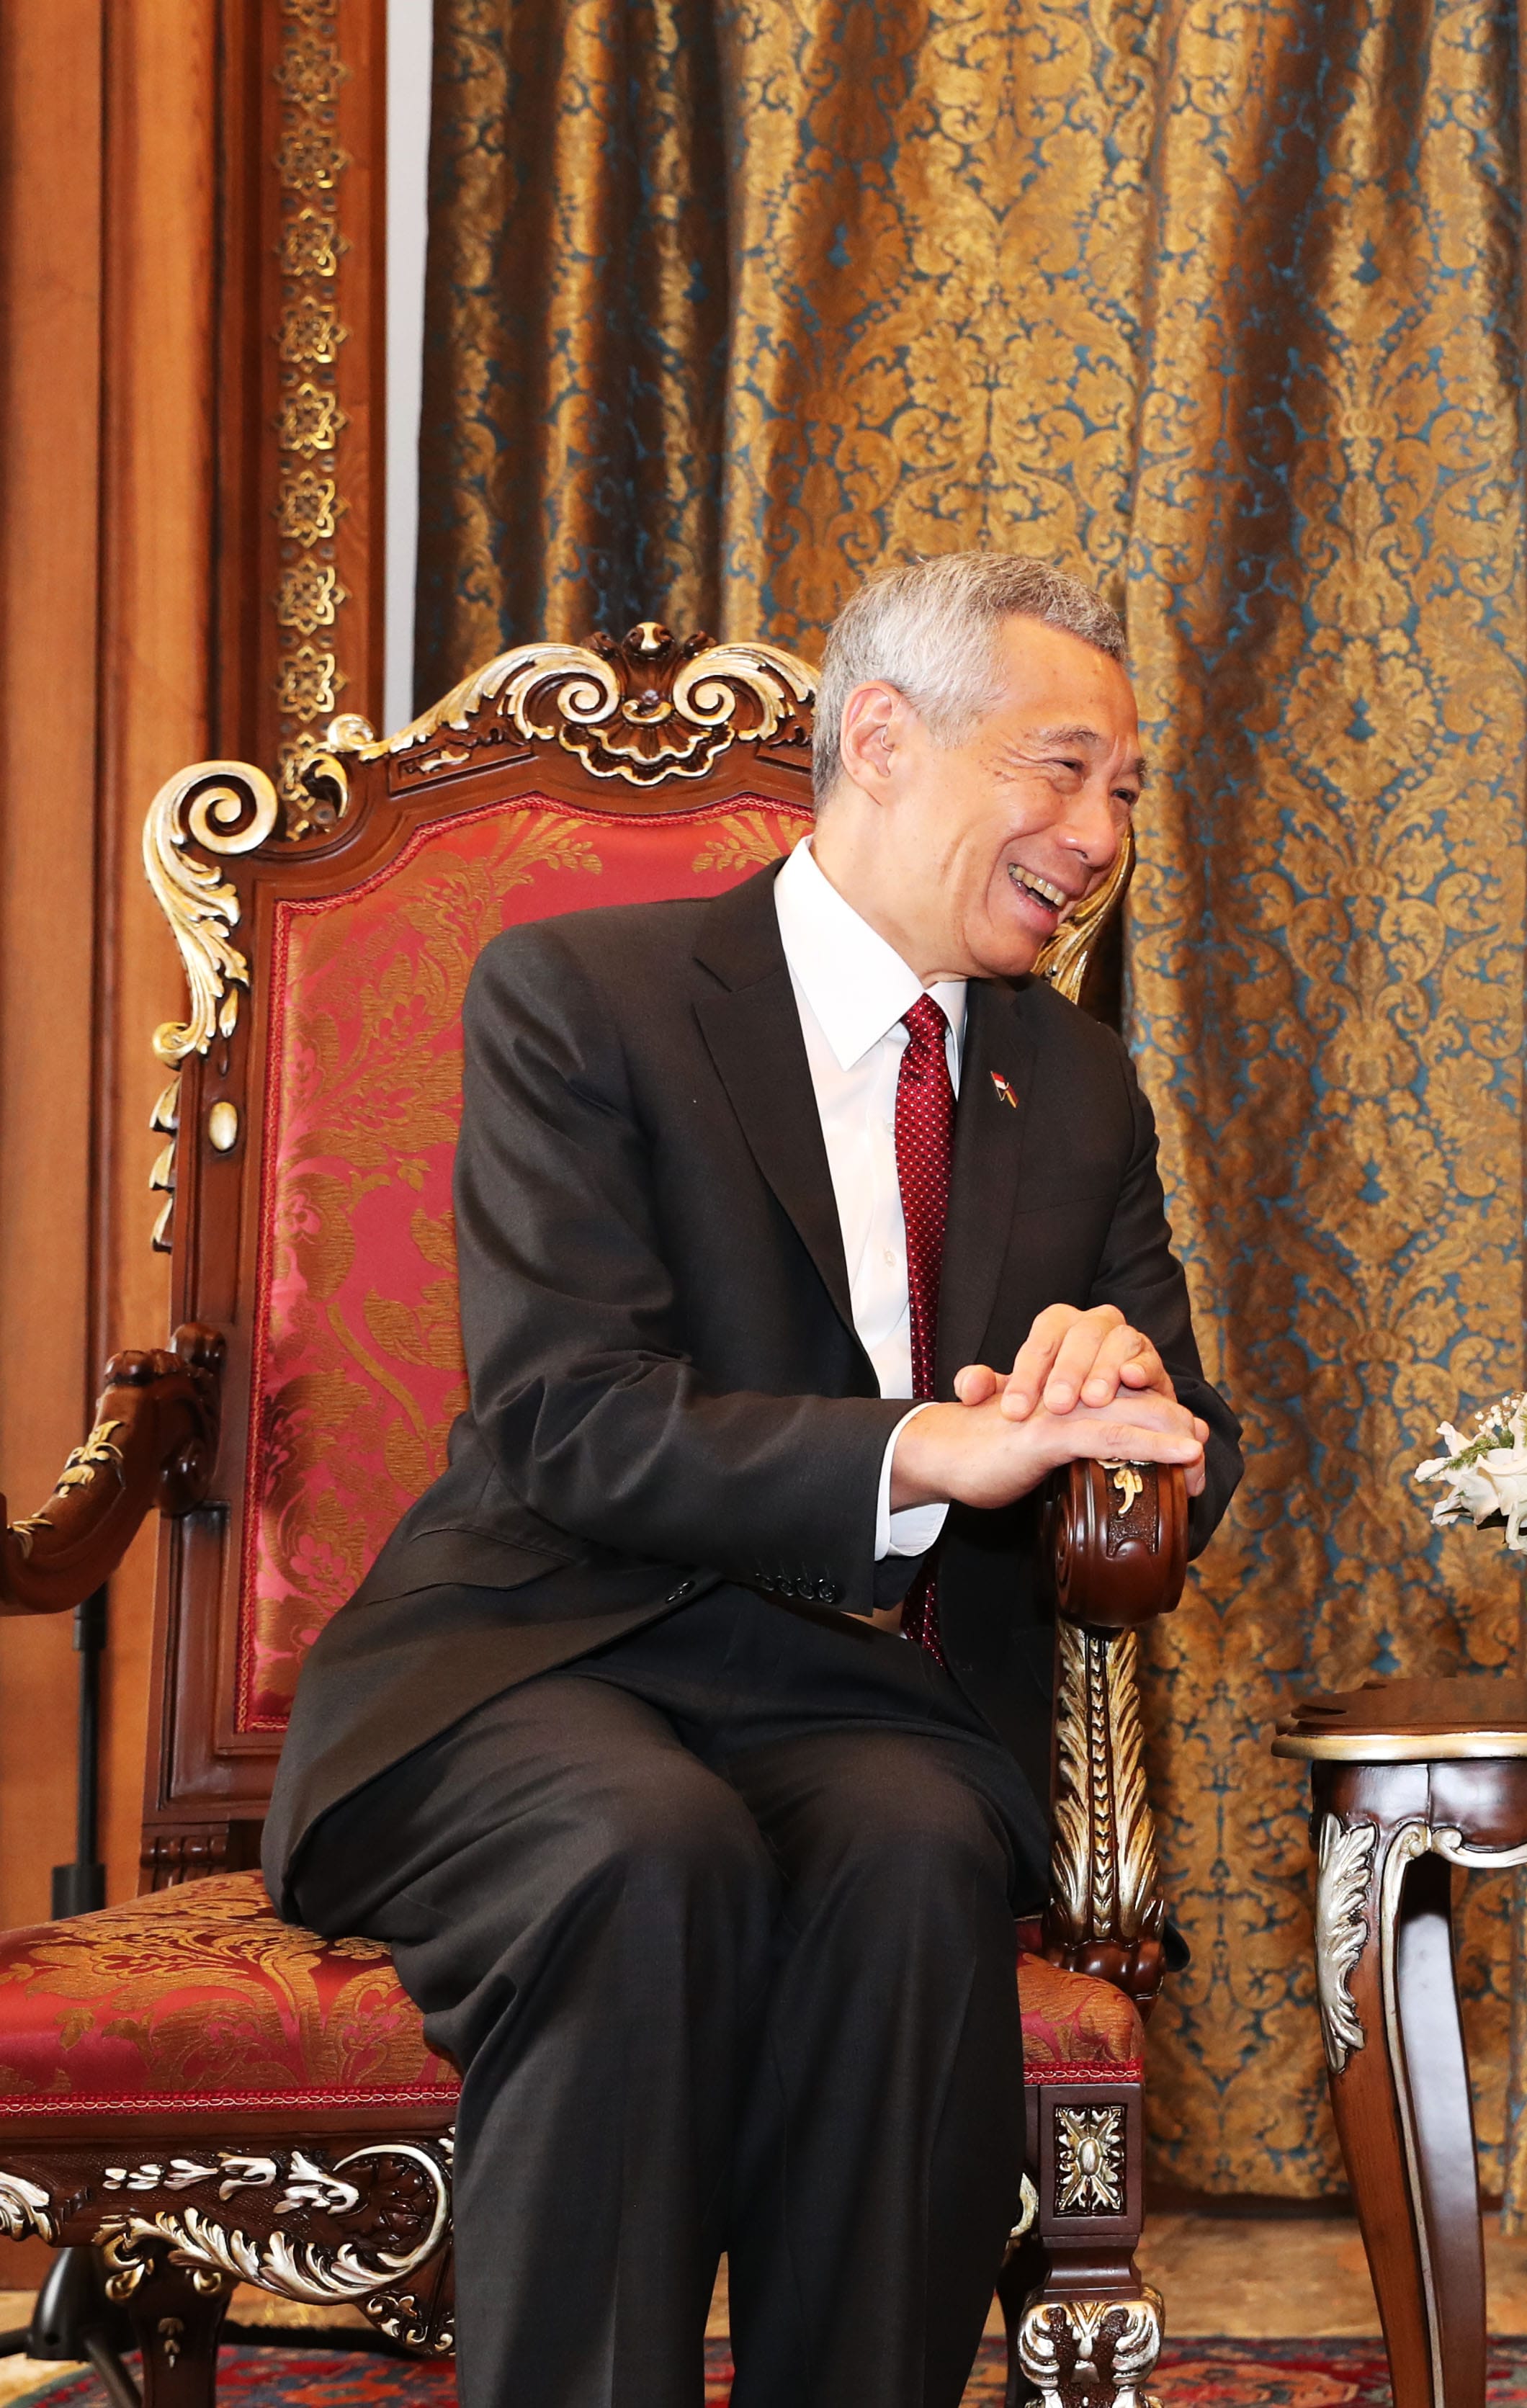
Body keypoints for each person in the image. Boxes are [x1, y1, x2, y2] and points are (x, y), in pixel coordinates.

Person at [261, 553, 1245, 2408]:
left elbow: (1196, 1437)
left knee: (917, 1855)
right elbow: (567, 1418)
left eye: (1124, 789)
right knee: (650, 1847)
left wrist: (1126, 1402)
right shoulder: (587, 996)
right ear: (882, 738)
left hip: (858, 1697)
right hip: (539, 1658)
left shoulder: (1075, 1083)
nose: (1100, 833)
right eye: (1060, 769)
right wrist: (927, 1446)